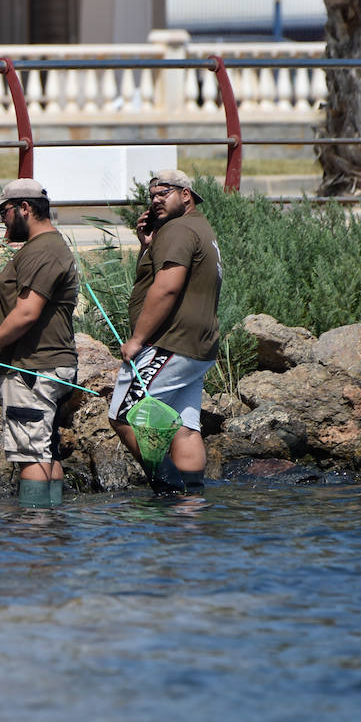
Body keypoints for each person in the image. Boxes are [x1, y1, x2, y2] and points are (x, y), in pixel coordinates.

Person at [0, 179, 78, 508]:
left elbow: (27, 312)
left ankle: (31, 541)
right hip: (40, 369)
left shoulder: (44, 250)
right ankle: (49, 531)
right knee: (45, 452)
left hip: (32, 370)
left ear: (25, 209)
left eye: (6, 212)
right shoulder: (44, 249)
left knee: (32, 457)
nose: (2, 219)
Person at [108, 169, 223, 494]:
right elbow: (157, 279)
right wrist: (147, 245)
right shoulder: (199, 228)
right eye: (152, 195)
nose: (156, 200)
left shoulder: (178, 229)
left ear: (186, 195)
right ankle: (191, 502)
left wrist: (137, 340)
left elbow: (167, 288)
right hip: (198, 347)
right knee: (185, 427)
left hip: (168, 343)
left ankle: (169, 489)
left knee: (125, 415)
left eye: (164, 193)